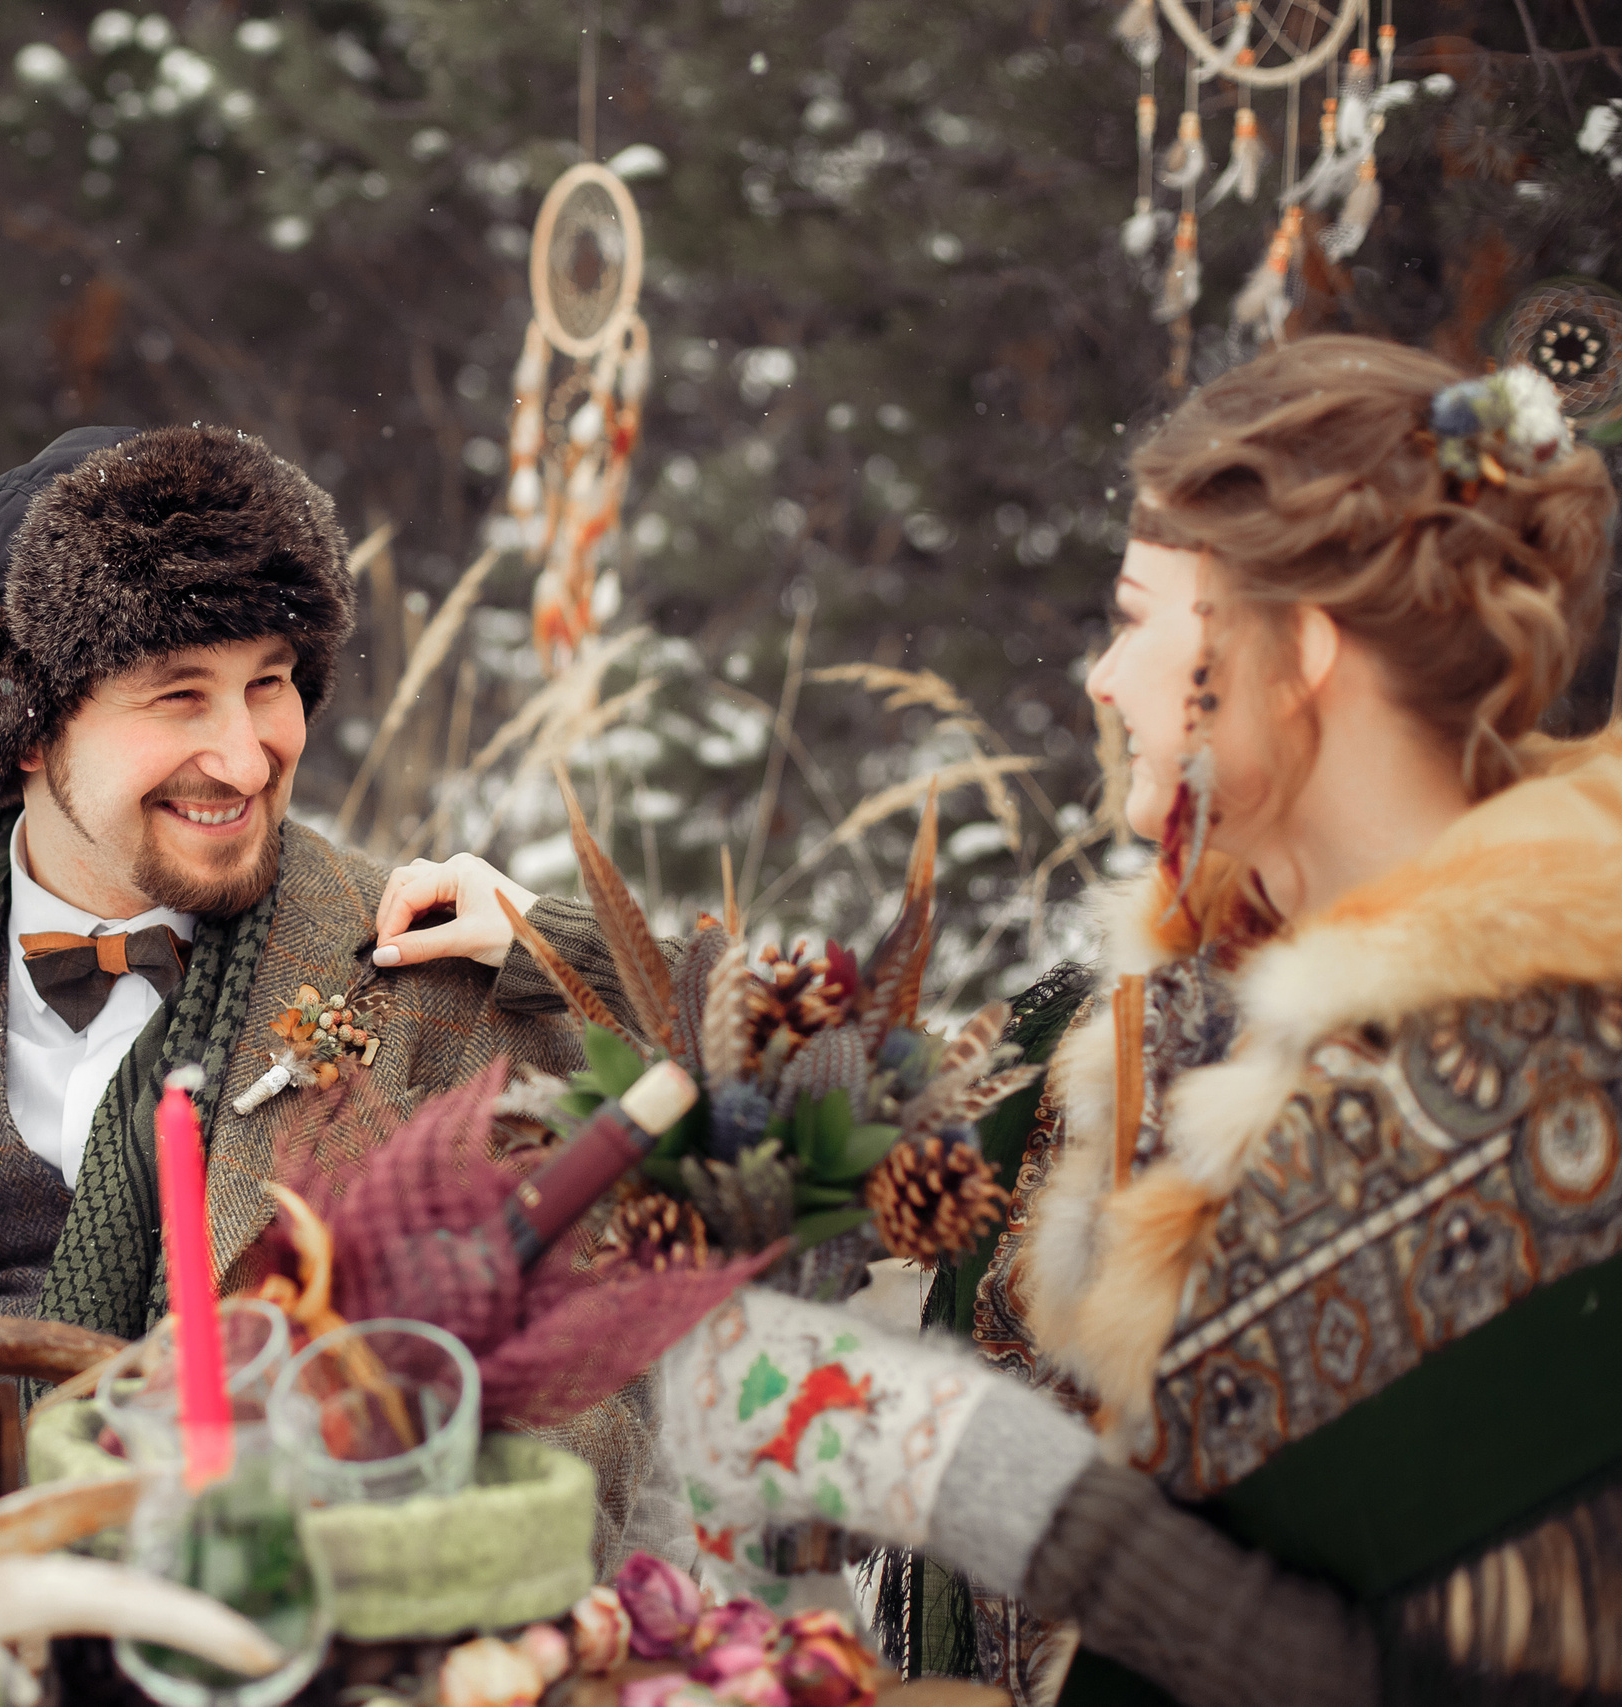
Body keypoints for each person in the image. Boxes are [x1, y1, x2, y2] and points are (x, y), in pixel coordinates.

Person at [407, 336, 1622, 1704]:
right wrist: (556, 942)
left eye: (1135, 612)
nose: (1102, 678)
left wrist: (965, 1462)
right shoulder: (1223, 973)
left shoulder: (1525, 1081)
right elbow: (904, 1088)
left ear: (1296, 658)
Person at [0, 424, 671, 1568]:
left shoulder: (422, 979)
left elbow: (567, 1425)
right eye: (177, 696)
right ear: (19, 729)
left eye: (269, 685)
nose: (247, 759)